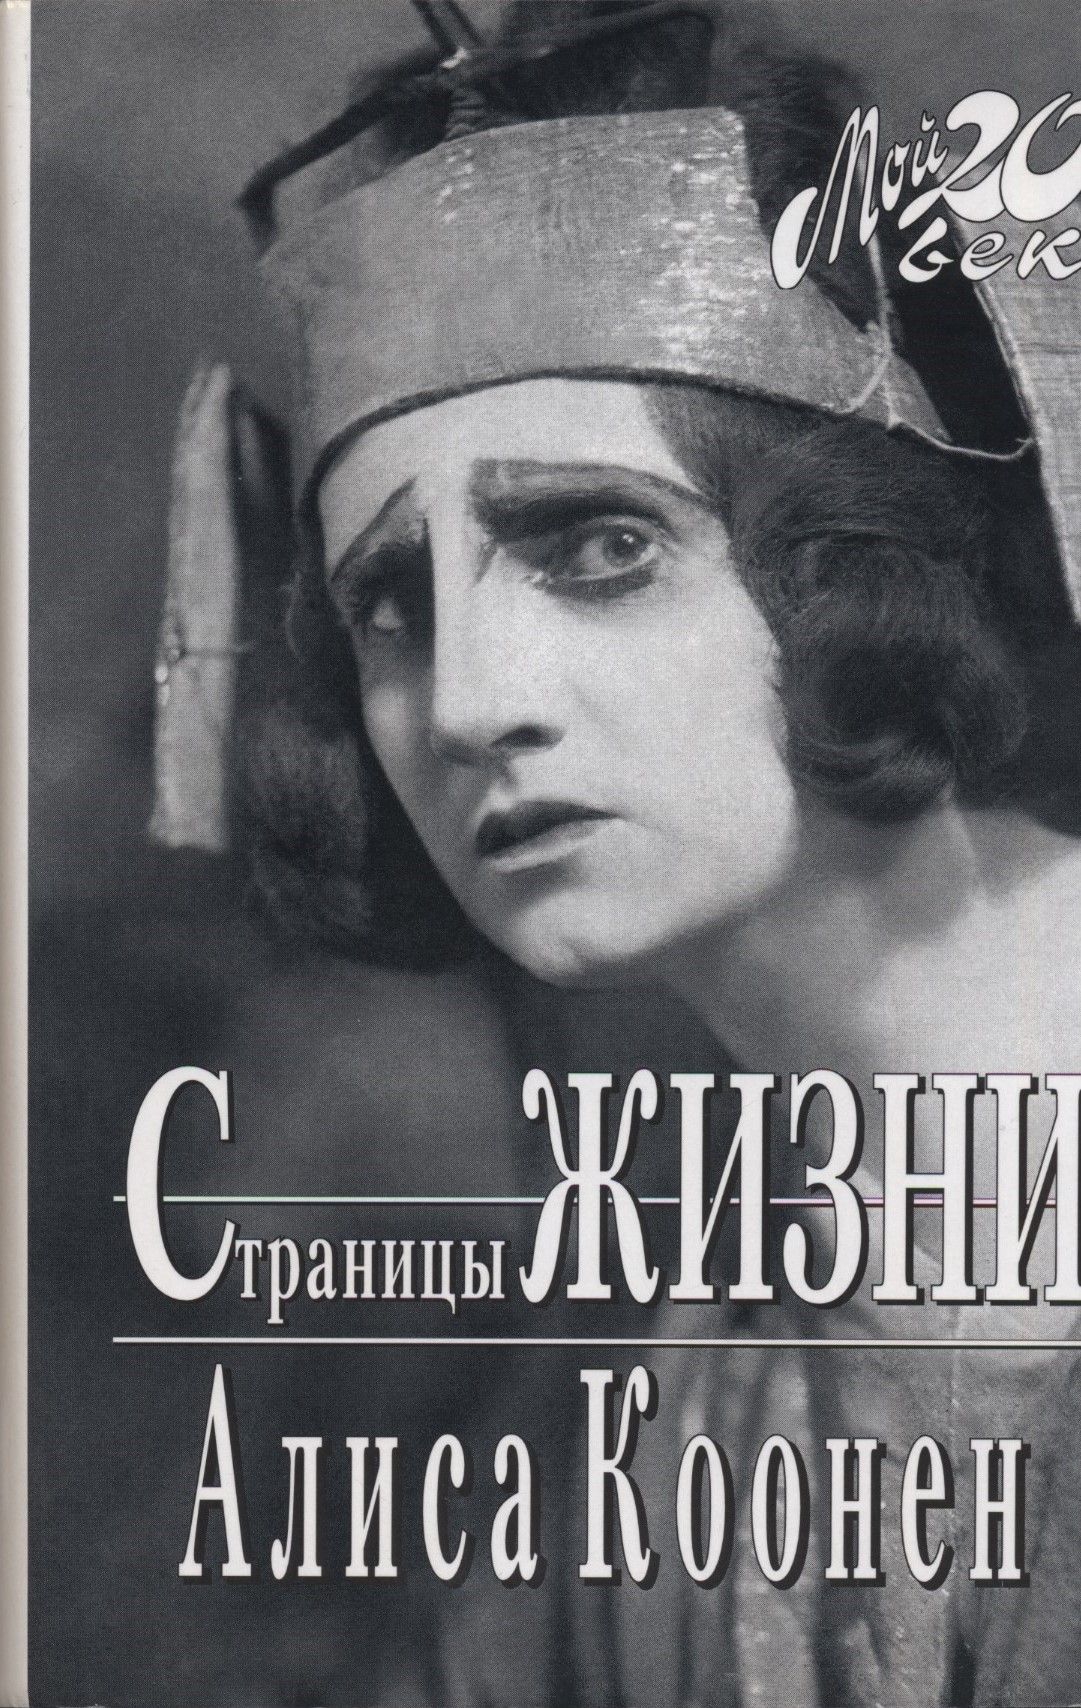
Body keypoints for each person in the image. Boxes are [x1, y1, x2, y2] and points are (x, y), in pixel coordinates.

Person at [159, 2, 1081, 1702]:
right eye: (390, 607)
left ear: (858, 558)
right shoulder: (649, 1391)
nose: (467, 703)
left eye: (596, 546)